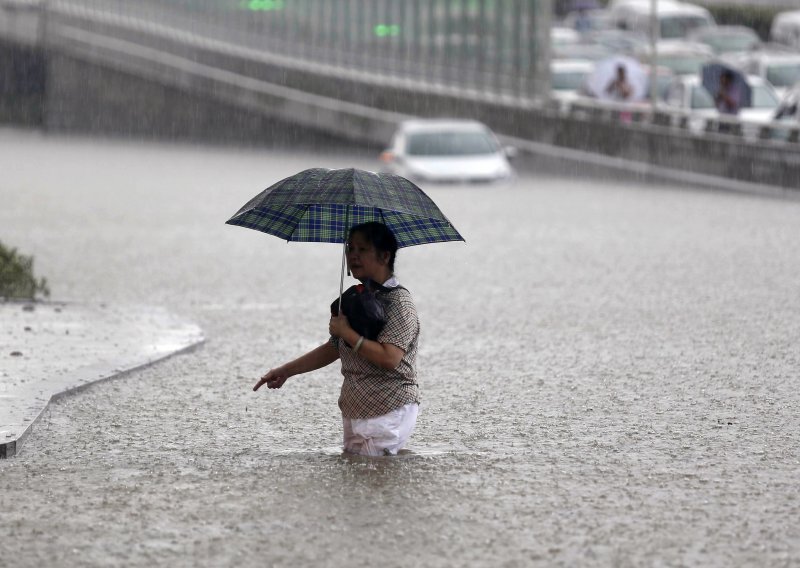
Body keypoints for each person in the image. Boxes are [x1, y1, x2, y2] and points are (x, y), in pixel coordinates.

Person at [253, 221, 421, 457]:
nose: (353, 256)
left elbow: (389, 358)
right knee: (356, 480)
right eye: (349, 249)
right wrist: (286, 371)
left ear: (384, 256)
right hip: (355, 406)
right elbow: (335, 347)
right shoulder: (357, 298)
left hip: (388, 407)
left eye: (362, 250)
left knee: (374, 481)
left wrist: (347, 332)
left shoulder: (399, 303)